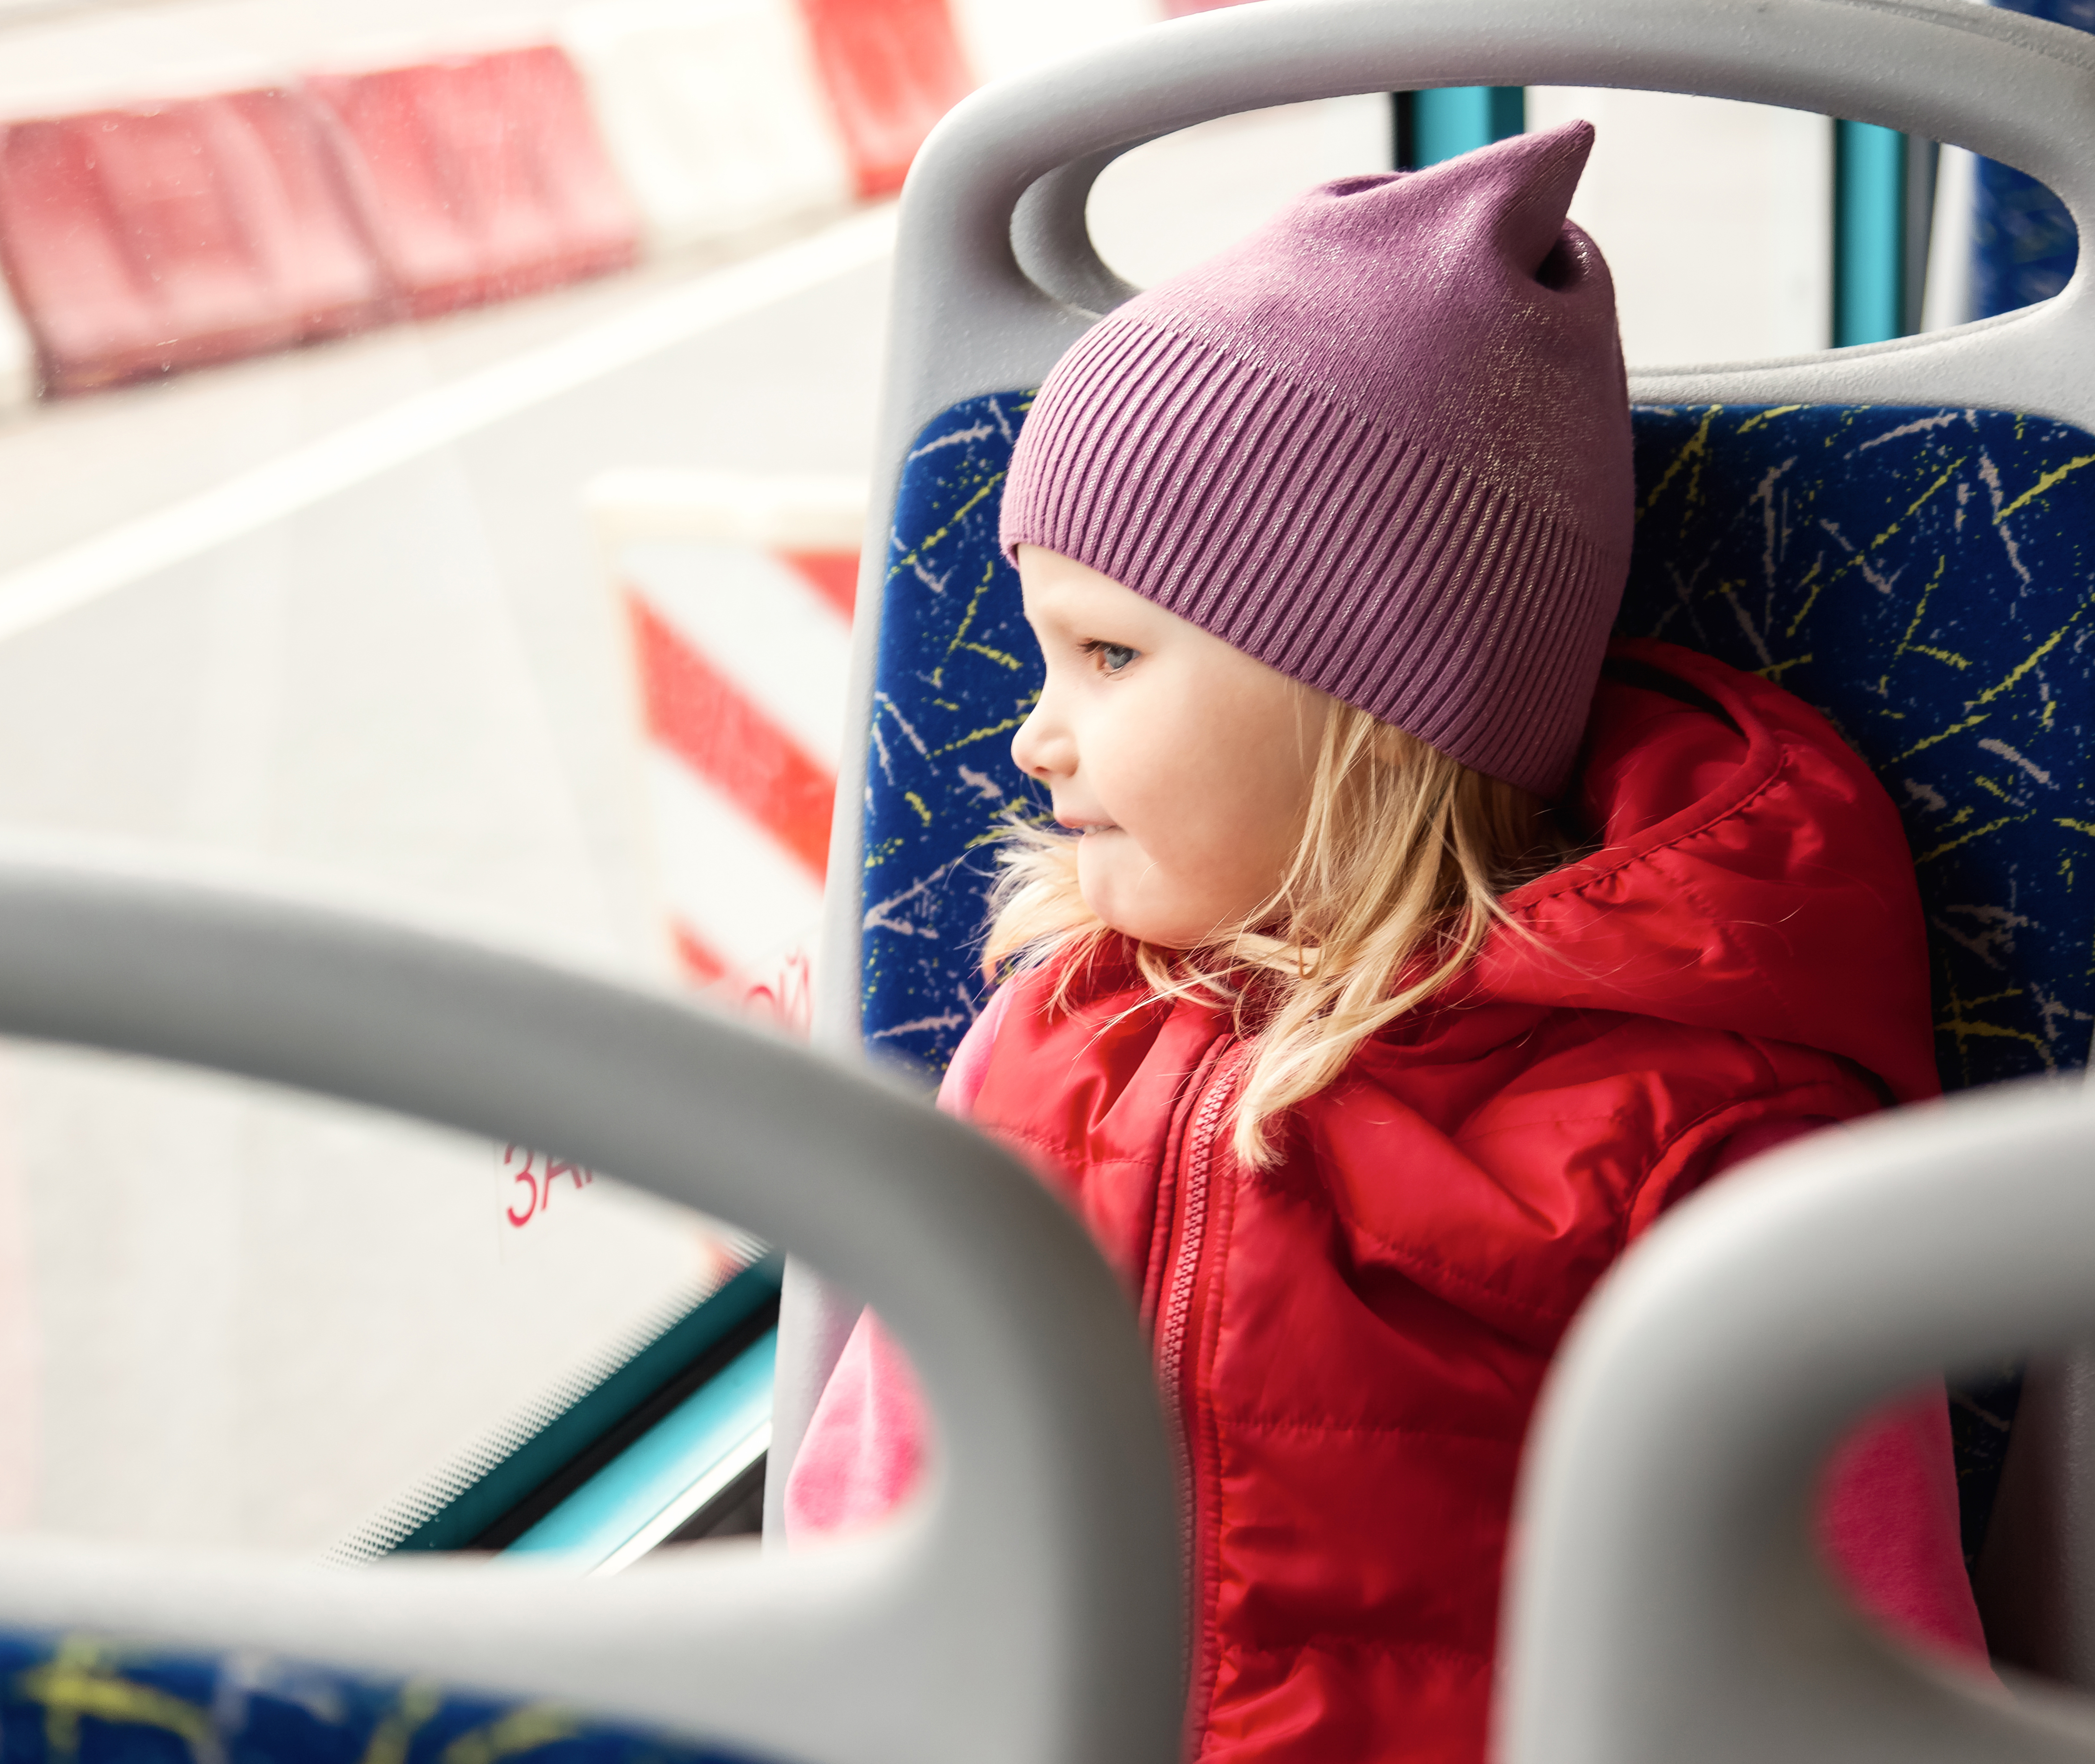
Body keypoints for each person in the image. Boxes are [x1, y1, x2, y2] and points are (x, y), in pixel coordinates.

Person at [785, 123, 1985, 1762]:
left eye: (1110, 658)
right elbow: (878, 1519)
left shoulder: (1704, 1141)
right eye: (1043, 659)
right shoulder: (1051, 1034)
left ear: (1371, 705)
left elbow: (1850, 1668)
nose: (1031, 742)